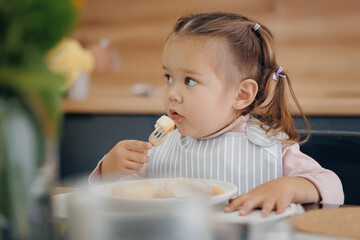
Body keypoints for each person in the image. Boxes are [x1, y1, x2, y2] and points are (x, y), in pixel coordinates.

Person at [89, 12, 344, 216]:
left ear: (241, 94)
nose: (172, 94)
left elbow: (332, 186)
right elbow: (115, 196)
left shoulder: (269, 145)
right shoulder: (160, 148)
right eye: (169, 77)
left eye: (189, 81)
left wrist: (288, 186)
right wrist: (110, 169)